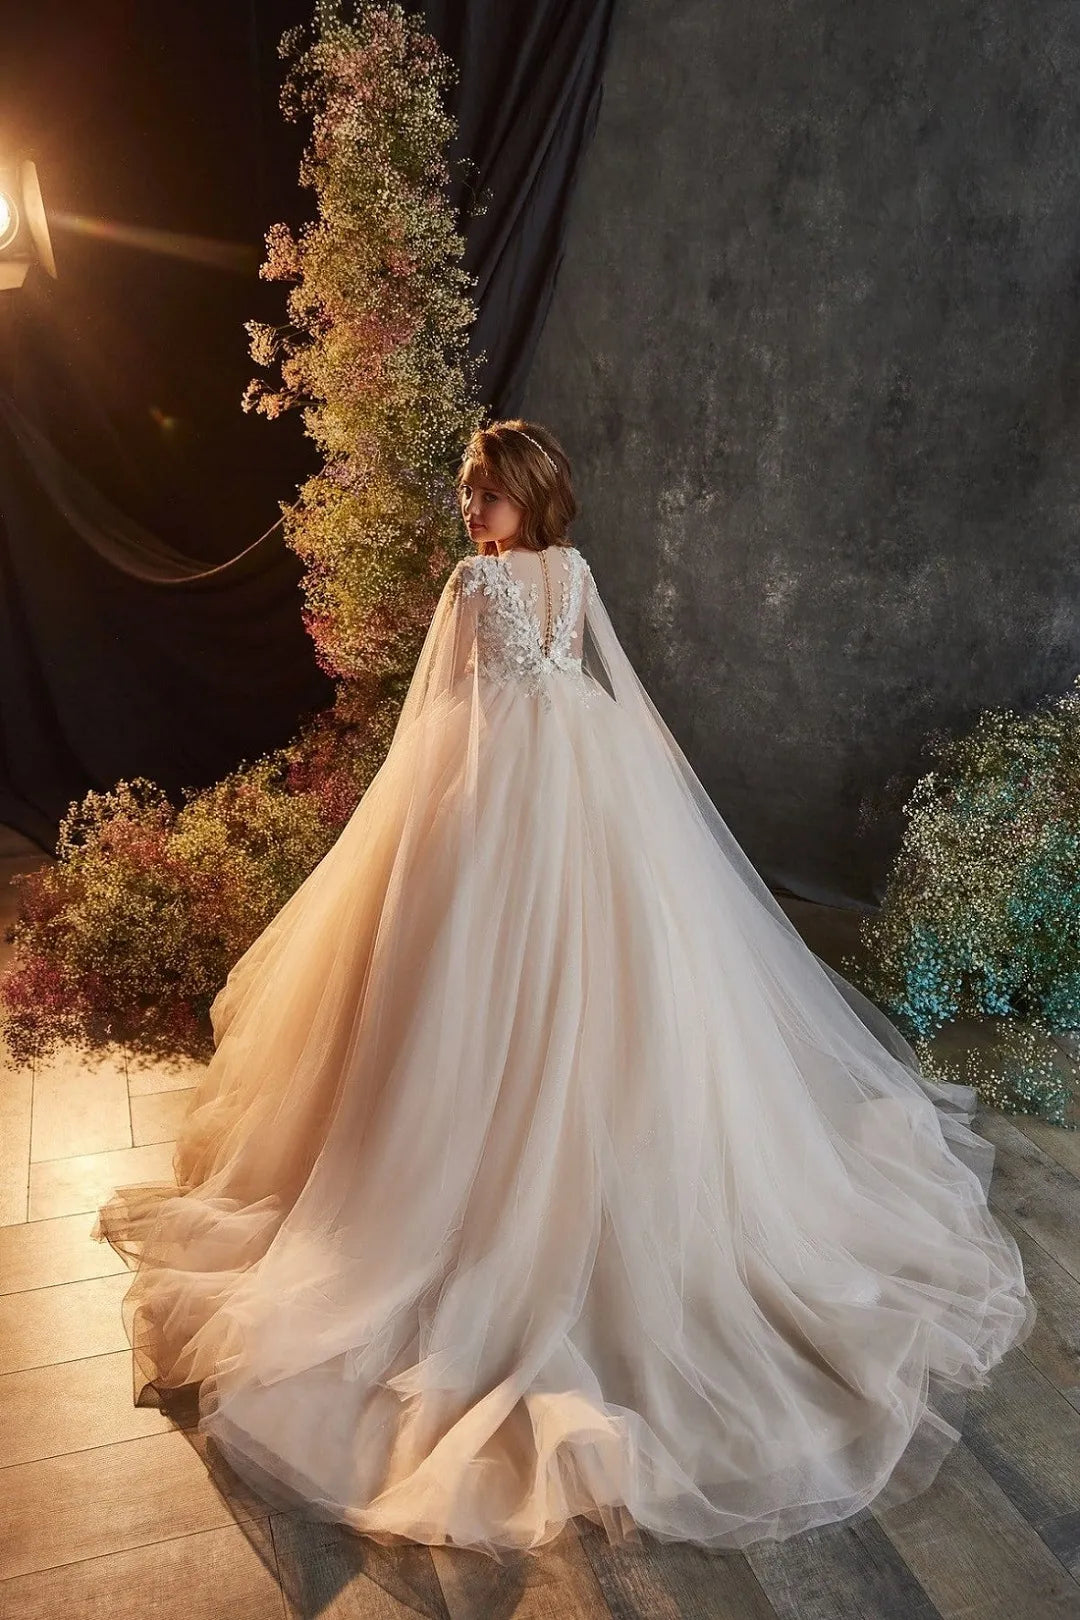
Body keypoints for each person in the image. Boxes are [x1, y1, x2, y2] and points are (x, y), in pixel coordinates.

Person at [93, 417, 1035, 1562]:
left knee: (575, 980)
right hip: (578, 776)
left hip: (509, 794)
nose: (467, 510)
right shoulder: (565, 573)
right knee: (515, 985)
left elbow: (439, 719)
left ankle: (574, 1155)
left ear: (527, 498)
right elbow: (577, 687)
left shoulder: (478, 586)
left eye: (482, 494)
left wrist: (433, 817)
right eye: (465, 491)